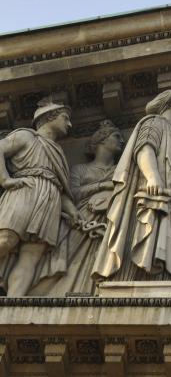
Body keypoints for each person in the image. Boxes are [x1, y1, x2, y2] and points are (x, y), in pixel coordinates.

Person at [94, 90, 171, 282]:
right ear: (169, 103)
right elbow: (145, 147)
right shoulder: (154, 122)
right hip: (157, 190)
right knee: (150, 234)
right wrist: (153, 177)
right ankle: (137, 278)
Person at [31, 120, 123, 295]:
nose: (121, 141)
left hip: (111, 219)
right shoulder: (80, 169)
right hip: (82, 220)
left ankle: (96, 290)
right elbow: (71, 193)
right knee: (75, 257)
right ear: (102, 140)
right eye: (116, 136)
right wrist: (102, 186)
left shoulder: (121, 170)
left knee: (102, 254)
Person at [0, 100, 78, 296]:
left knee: (31, 256)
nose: (69, 124)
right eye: (65, 118)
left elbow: (60, 186)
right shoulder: (26, 136)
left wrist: (72, 210)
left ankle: (14, 304)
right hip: (24, 191)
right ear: (49, 117)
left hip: (50, 200)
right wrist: (5, 180)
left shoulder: (59, 153)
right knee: (5, 240)